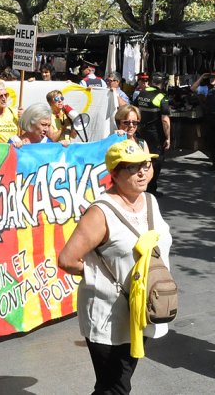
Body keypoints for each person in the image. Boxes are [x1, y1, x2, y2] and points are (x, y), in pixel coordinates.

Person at [58, 139, 172, 395]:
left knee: (114, 385)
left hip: (142, 311)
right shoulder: (100, 212)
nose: (143, 171)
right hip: (108, 314)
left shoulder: (150, 201)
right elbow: (67, 259)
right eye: (132, 168)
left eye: (146, 164)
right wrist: (101, 278)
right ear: (115, 175)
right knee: (115, 386)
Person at [134, 72, 171, 197]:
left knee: (142, 157)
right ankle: (151, 188)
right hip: (155, 133)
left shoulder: (141, 93)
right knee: (156, 160)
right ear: (163, 83)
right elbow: (165, 120)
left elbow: (134, 109)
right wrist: (168, 137)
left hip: (141, 131)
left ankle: (140, 185)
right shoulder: (161, 96)